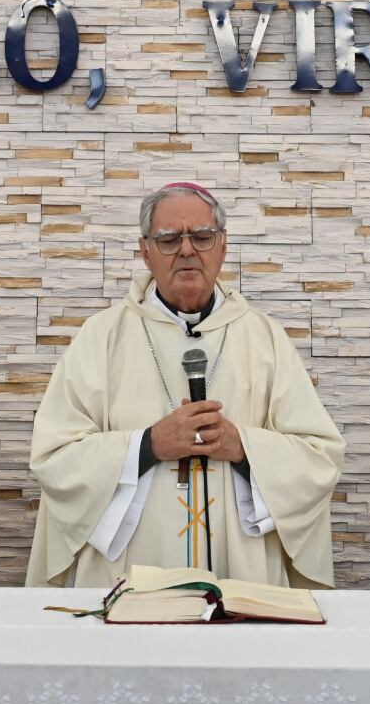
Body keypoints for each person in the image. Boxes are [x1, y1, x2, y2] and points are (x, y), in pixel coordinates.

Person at [27, 184, 343, 588]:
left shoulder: (264, 338)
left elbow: (320, 457)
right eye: (169, 239)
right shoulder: (101, 338)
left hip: (241, 571)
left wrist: (243, 447)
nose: (187, 250)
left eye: (202, 236)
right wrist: (149, 444)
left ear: (223, 246)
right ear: (145, 251)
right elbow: (55, 457)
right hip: (129, 570)